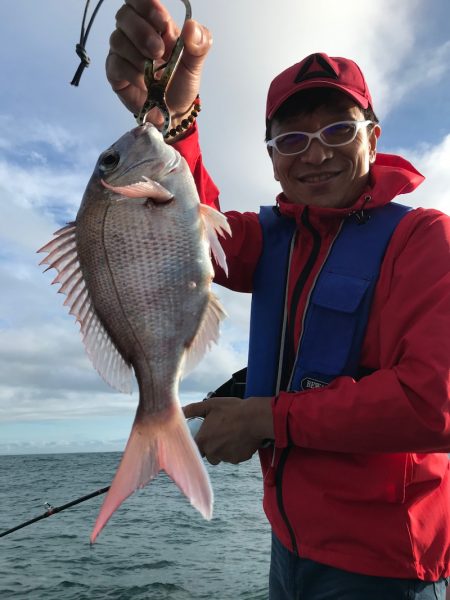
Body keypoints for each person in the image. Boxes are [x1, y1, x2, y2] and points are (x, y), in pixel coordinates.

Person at [106, 2, 450, 598]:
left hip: (385, 565)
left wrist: (266, 419)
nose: (315, 154)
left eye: (338, 130)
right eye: (292, 138)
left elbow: (436, 402)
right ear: (270, 156)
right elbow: (180, 222)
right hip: (287, 546)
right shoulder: (275, 240)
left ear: (374, 137)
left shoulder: (424, 239)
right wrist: (171, 120)